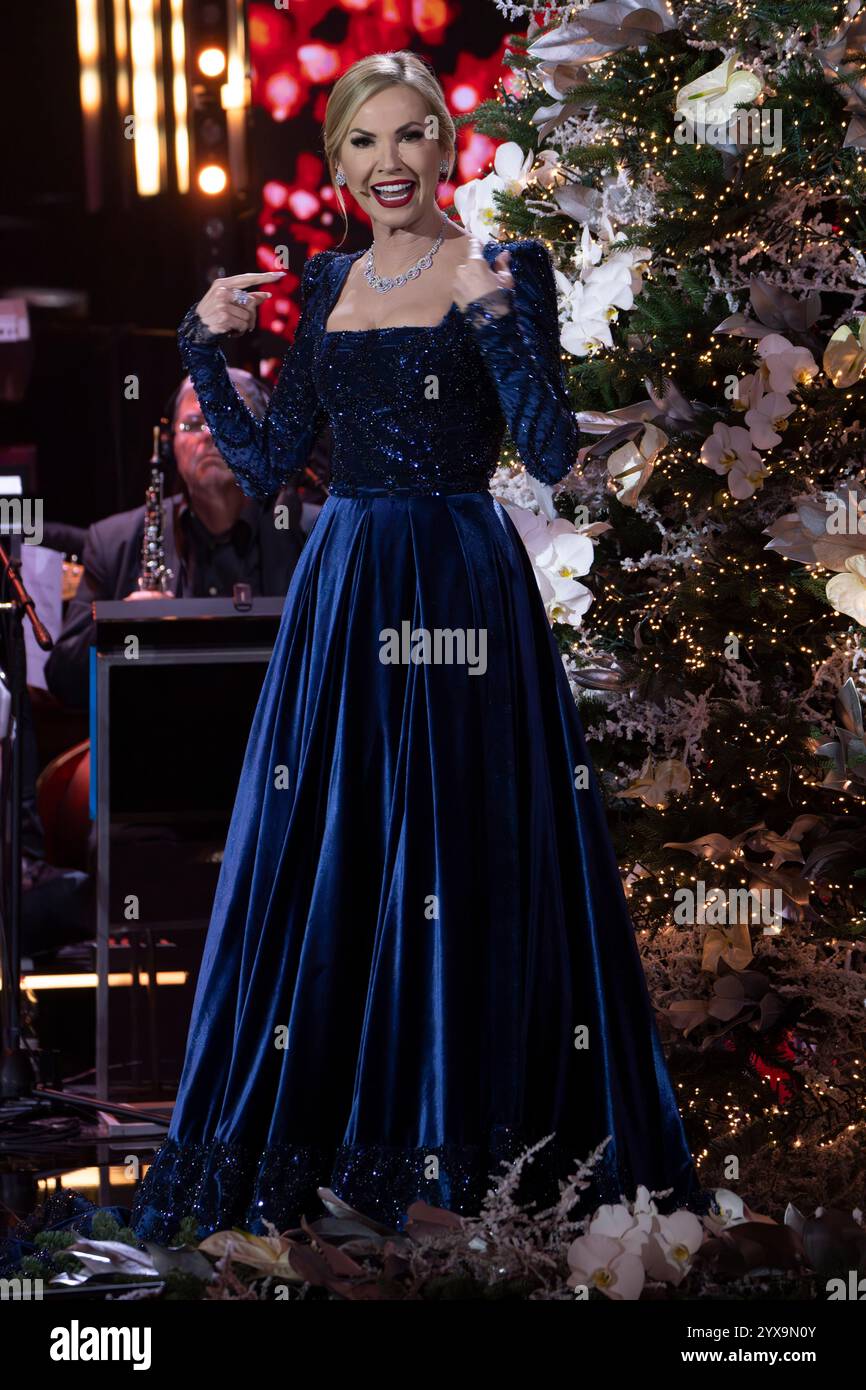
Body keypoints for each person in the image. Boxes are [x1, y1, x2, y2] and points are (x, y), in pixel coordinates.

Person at [130, 51, 708, 1241]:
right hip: (344, 594)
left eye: (407, 138)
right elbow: (263, 458)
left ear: (444, 146)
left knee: (462, 856)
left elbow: (547, 452)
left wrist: (498, 321)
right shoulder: (332, 279)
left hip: (458, 582)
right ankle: (320, 1169)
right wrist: (200, 342)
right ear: (338, 162)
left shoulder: (506, 267)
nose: (385, 163)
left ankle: (476, 1174)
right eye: (360, 143)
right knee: (332, 857)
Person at [44, 369, 310, 710]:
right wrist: (117, 628)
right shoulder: (114, 542)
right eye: (194, 424)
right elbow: (63, 680)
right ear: (170, 447)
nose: (211, 434)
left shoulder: (315, 534)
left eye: (229, 417)